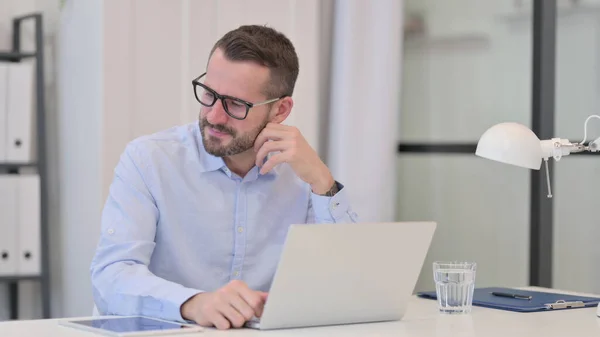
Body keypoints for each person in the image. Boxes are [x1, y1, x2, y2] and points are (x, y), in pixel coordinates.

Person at [90, 25, 358, 330]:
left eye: (235, 105)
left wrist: (324, 183)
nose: (214, 116)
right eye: (209, 94)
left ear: (280, 110)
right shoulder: (149, 160)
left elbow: (347, 285)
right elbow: (110, 277)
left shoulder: (301, 171)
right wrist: (192, 303)